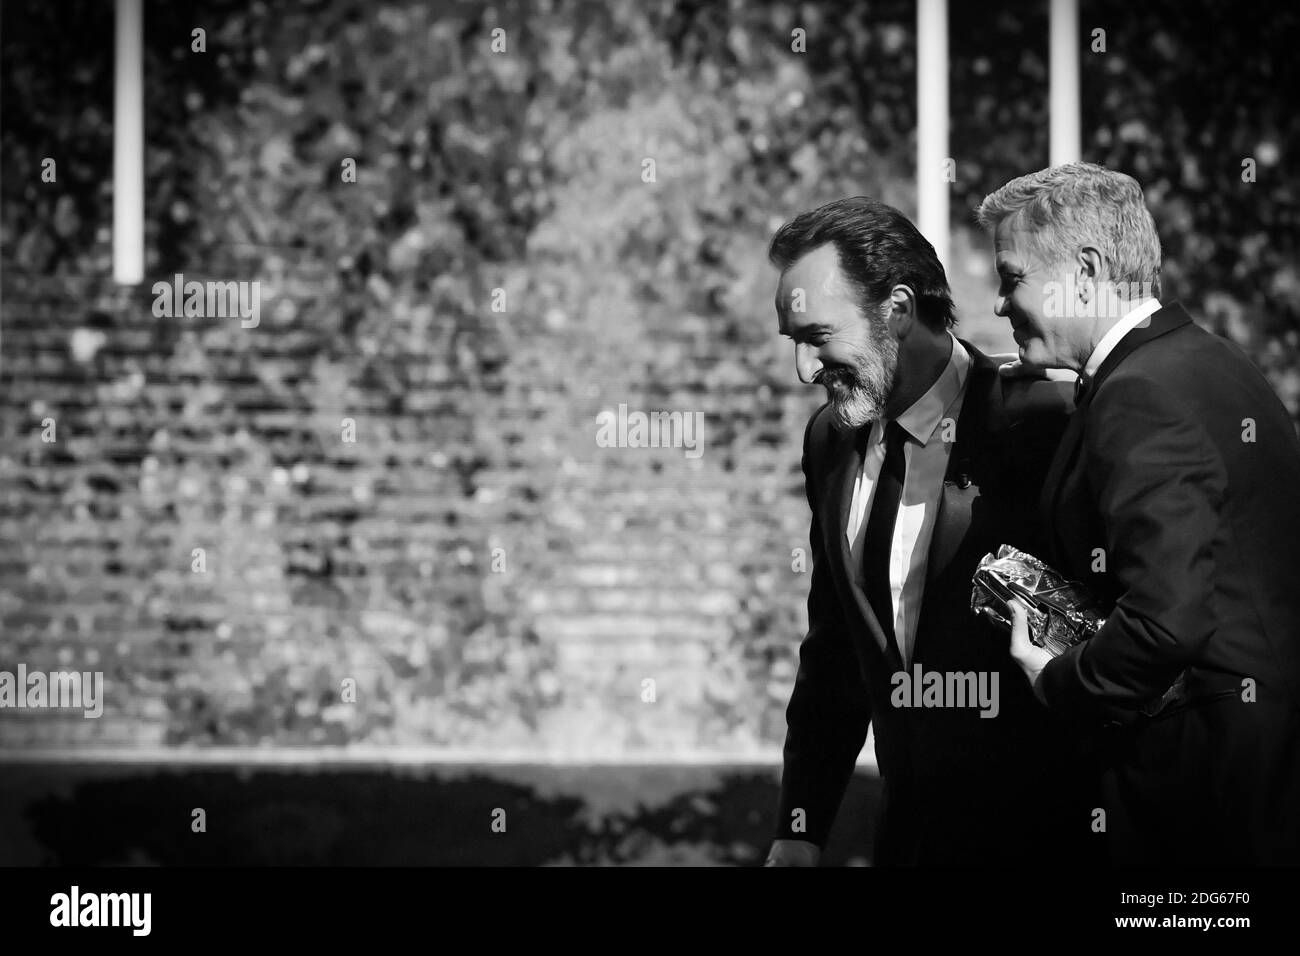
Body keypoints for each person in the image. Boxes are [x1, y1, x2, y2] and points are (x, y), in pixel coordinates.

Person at [978, 162, 1300, 865]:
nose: (1000, 305)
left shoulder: (1139, 393)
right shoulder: (1206, 362)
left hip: (1199, 798)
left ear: (1086, 268)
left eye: (1011, 277)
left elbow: (1165, 616)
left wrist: (1058, 676)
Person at [764, 197, 1093, 866]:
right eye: (792, 341)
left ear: (900, 310)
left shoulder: (1045, 423)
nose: (803, 370)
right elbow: (834, 652)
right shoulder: (830, 439)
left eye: (818, 336)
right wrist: (800, 829)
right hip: (907, 840)